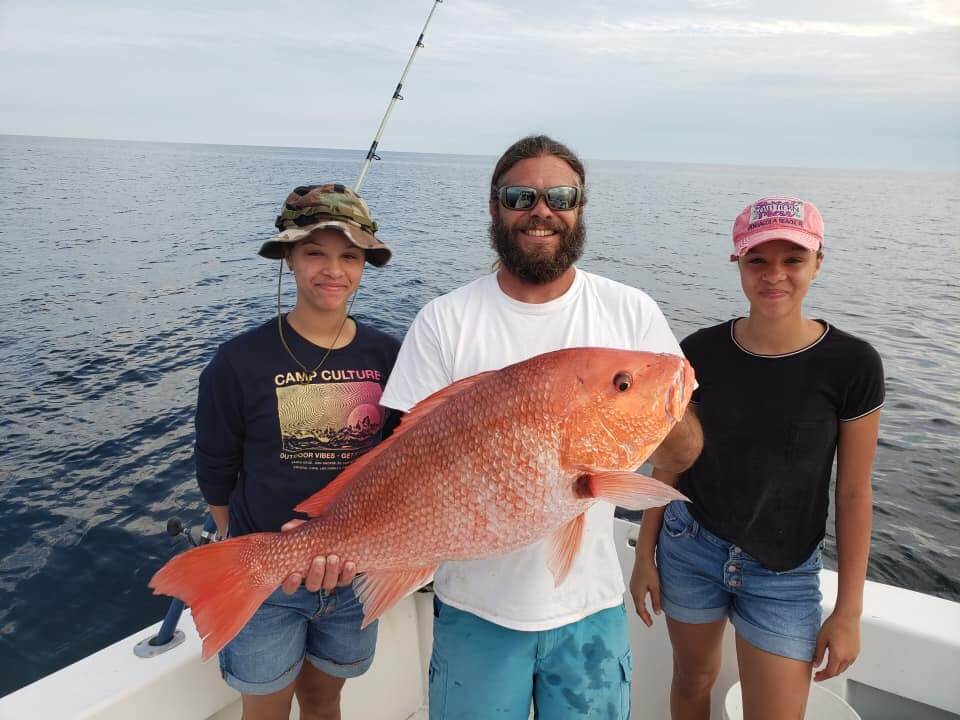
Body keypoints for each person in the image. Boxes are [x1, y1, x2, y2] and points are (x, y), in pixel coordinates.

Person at [380, 135, 703, 720]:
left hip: (590, 609)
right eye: (521, 195)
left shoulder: (629, 312)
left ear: (579, 208)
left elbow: (684, 450)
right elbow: (400, 461)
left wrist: (654, 408)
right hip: (474, 609)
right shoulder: (445, 321)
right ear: (494, 207)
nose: (541, 209)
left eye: (560, 195)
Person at [630, 197, 884, 719]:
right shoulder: (699, 352)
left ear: (818, 262)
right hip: (690, 546)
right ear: (737, 264)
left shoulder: (853, 365)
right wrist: (643, 554)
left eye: (792, 260)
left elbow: (854, 491)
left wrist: (849, 610)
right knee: (691, 681)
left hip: (785, 572)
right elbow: (672, 460)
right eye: (758, 260)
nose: (775, 276)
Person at [194, 183, 401, 720]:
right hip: (267, 581)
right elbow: (216, 470)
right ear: (287, 257)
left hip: (356, 576)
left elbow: (406, 459)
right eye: (315, 253)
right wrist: (247, 545)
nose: (333, 270)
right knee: (264, 708)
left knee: (323, 698)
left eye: (349, 256)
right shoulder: (237, 361)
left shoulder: (390, 354)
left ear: (363, 266)